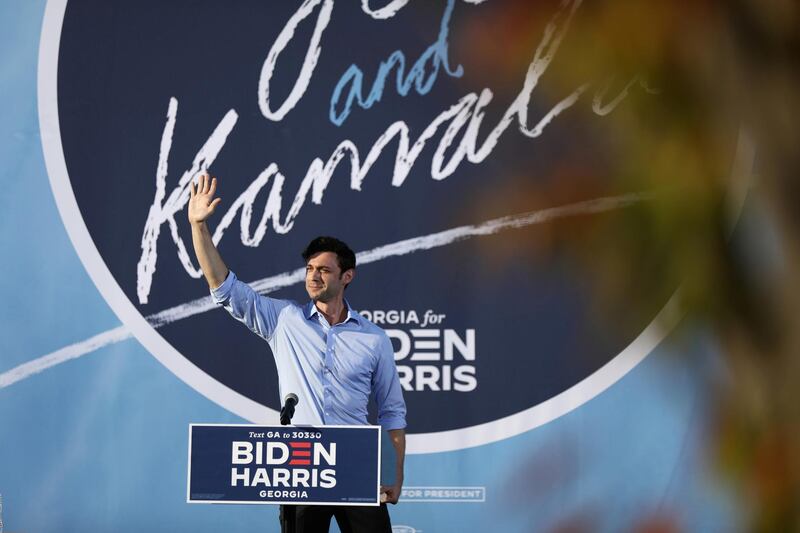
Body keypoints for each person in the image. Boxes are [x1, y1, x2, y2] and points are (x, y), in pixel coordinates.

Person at [188, 173, 407, 533]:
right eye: (309, 269)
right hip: (301, 463)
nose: (314, 277)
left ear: (347, 276)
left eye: (324, 270)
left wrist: (395, 474)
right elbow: (225, 288)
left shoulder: (374, 338)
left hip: (357, 464)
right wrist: (199, 227)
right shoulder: (284, 320)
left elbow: (392, 411)